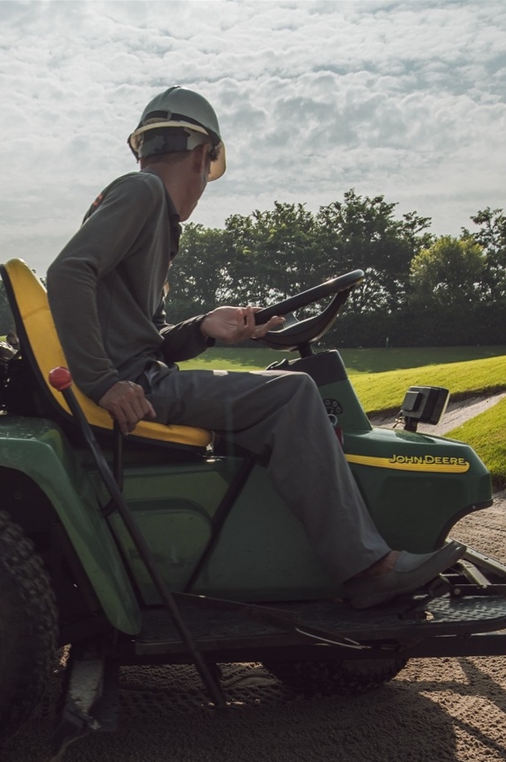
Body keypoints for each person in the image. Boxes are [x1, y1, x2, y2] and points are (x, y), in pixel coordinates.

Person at [45, 87, 462, 608]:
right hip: (139, 382)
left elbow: (141, 334)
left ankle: (280, 568)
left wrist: (205, 327)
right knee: (293, 395)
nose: (202, 189)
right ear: (202, 156)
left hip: (141, 370)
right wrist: (103, 382)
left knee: (276, 402)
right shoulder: (143, 193)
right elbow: (67, 273)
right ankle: (367, 566)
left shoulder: (145, 208)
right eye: (207, 172)